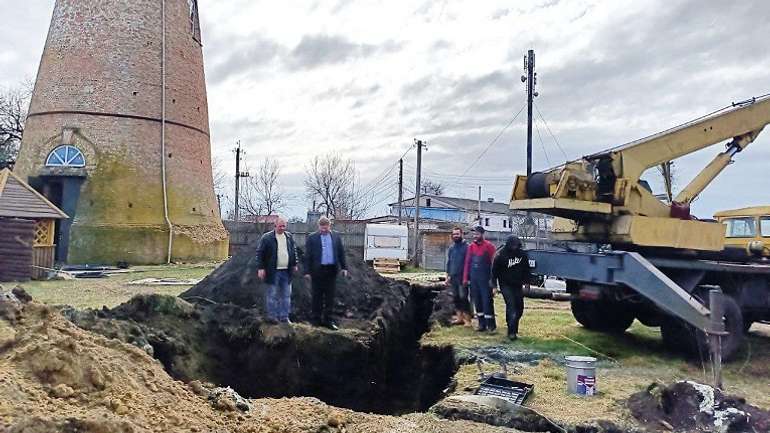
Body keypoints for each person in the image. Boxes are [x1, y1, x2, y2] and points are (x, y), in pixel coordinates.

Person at [304, 216, 348, 330]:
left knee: (330, 297)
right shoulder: (312, 238)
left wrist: (344, 267)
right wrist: (307, 271)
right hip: (317, 271)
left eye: (326, 227)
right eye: (322, 227)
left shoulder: (336, 237)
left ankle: (328, 320)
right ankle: (316, 320)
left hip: (331, 270)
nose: (324, 229)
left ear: (329, 226)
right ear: (319, 226)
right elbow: (307, 255)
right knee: (317, 296)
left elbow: (341, 252)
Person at [256, 217, 298, 324]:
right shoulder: (267, 238)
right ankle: (272, 317)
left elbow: (293, 251)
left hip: (286, 271)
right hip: (273, 271)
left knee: (286, 295)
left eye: (284, 226)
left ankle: (284, 317)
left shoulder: (289, 237)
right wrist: (261, 268)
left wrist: (294, 263)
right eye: (280, 226)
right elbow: (260, 253)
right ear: (275, 226)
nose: (282, 228)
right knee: (272, 295)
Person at [492, 235, 531, 340]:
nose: (514, 247)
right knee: (511, 306)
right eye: (513, 245)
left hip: (517, 285)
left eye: (516, 245)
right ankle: (511, 332)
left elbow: (527, 270)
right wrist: (494, 286)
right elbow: (494, 271)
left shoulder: (522, 254)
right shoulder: (500, 254)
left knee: (519, 308)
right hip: (505, 284)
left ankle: (513, 325)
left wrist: (527, 283)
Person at [463, 225, 498, 332]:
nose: (475, 236)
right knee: (477, 301)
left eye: (477, 234)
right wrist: (465, 278)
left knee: (487, 301)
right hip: (474, 279)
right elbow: (467, 263)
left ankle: (490, 325)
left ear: (482, 234)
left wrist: (493, 282)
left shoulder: (489, 246)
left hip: (485, 279)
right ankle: (481, 324)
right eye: (474, 234)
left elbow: (494, 264)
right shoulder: (471, 247)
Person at [446, 227, 472, 326]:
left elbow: (469, 263)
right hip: (453, 277)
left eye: (457, 234)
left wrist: (468, 277)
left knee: (463, 298)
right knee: (456, 298)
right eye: (454, 234)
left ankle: (468, 320)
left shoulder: (467, 247)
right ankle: (459, 318)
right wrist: (447, 276)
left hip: (463, 278)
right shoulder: (451, 248)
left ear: (462, 234)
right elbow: (449, 263)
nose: (455, 236)